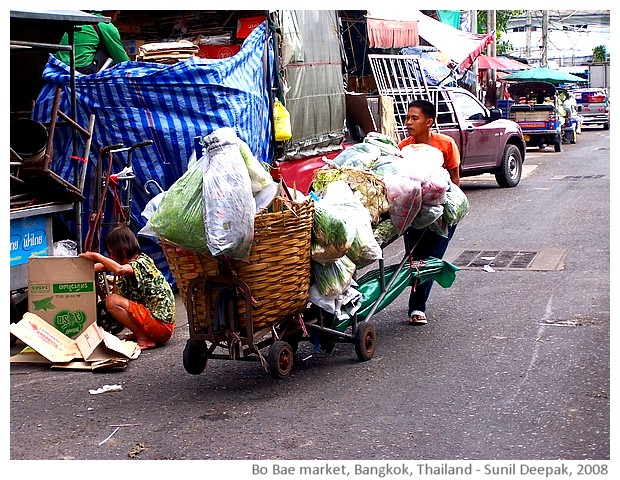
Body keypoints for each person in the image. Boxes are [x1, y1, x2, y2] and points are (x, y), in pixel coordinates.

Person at [398, 99, 460, 325]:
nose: (408, 122)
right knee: (415, 258)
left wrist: (446, 209)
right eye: (407, 118)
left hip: (443, 213)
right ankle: (417, 300)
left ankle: (417, 306)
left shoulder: (445, 145)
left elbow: (454, 181)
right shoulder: (404, 147)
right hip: (414, 214)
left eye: (415, 118)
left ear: (429, 122)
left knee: (431, 258)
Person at [79, 224, 176, 350]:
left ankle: (143, 338)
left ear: (123, 249)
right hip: (157, 326)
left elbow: (118, 269)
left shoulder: (141, 263)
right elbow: (101, 267)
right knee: (115, 297)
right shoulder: (129, 265)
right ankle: (141, 334)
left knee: (113, 300)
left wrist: (97, 256)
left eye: (112, 253)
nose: (111, 257)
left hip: (161, 326)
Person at [56, 11, 129, 75]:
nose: (115, 18)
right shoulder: (106, 25)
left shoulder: (81, 20)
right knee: (110, 49)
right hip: (82, 68)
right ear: (110, 12)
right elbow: (122, 60)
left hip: (61, 65)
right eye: (116, 14)